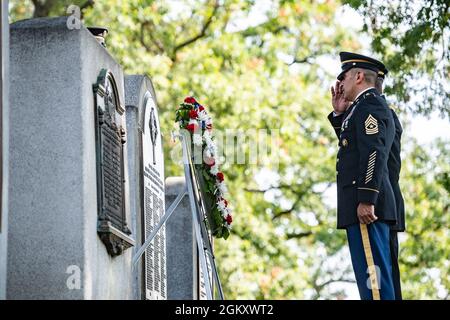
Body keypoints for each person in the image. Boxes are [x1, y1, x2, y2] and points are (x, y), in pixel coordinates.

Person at [328, 52, 398, 300]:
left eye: (344, 77)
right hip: (365, 205)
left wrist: (367, 197)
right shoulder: (363, 107)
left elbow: (373, 151)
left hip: (368, 208)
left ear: (358, 76)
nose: (340, 84)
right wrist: (340, 117)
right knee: (373, 282)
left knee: (375, 284)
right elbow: (356, 146)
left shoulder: (370, 104)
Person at [375, 71, 405, 300]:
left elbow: (373, 155)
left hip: (379, 204)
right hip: (387, 204)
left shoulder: (376, 112)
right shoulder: (386, 113)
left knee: (381, 281)